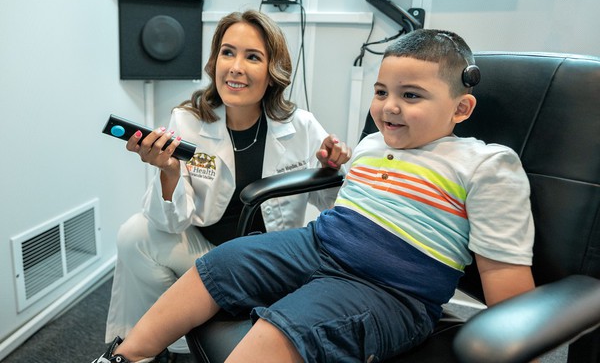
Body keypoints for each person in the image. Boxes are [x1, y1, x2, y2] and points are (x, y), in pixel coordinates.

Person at [93, 28, 535, 363]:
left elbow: (510, 293)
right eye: (381, 92)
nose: (388, 107)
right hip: (319, 245)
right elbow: (349, 208)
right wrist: (168, 169)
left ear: (461, 108)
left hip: (389, 286)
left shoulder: (485, 165)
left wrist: (327, 165)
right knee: (219, 264)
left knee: (281, 327)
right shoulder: (373, 145)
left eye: (411, 95)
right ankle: (125, 356)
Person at [104, 10, 350, 359]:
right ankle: (145, 351)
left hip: (272, 266)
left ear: (273, 71)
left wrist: (330, 169)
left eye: (252, 57)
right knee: (136, 234)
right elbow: (169, 223)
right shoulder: (187, 120)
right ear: (215, 60)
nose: (235, 66)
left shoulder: (302, 126)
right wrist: (169, 172)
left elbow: (333, 207)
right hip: (208, 256)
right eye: (227, 52)